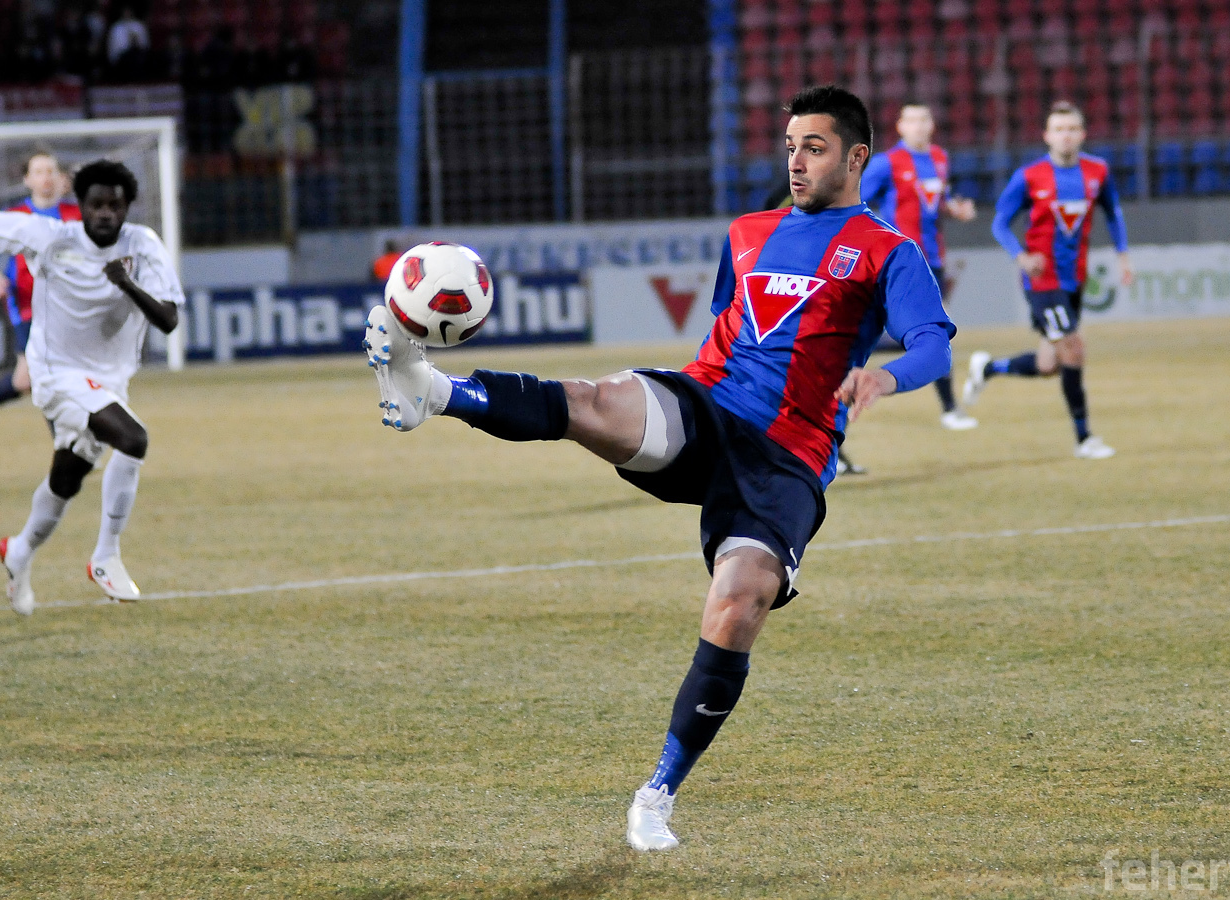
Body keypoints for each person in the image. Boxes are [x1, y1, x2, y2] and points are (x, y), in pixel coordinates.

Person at [363, 85, 952, 851]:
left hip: (788, 455)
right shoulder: (747, 233)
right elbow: (729, 329)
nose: (797, 162)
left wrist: (886, 376)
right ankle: (436, 392)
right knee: (595, 400)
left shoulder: (887, 250)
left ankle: (656, 795)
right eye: (790, 147)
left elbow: (933, 345)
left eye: (814, 148)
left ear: (856, 156)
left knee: (739, 603)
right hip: (705, 406)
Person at [0, 161, 182, 615]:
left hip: (109, 381)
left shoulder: (143, 245)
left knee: (67, 478)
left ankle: (19, 551)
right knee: (133, 439)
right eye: (96, 204)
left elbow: (168, 319)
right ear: (81, 206)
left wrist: (127, 284)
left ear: (127, 207)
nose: (106, 213)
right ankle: (106, 556)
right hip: (54, 373)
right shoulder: (51, 236)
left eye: (115, 205)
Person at [961, 101, 1133, 459]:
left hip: (1074, 279)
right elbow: (999, 223)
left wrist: (1123, 256)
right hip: (1042, 281)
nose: (1065, 136)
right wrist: (1021, 257)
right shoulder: (1030, 176)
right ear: (1047, 136)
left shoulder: (1097, 171)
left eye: (1071, 129)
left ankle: (987, 368)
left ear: (1082, 134)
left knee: (1048, 364)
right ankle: (1085, 439)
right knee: (1074, 349)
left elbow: (1113, 212)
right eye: (1058, 129)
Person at [861, 101, 980, 432]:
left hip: (934, 258)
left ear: (932, 125)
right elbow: (855, 201)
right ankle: (950, 408)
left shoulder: (939, 158)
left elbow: (937, 201)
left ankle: (947, 407)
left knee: (929, 331)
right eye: (911, 120)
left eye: (924, 119)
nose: (918, 125)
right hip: (902, 262)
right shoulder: (887, 163)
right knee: (933, 331)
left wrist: (954, 209)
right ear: (900, 127)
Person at [0, 151, 81, 448]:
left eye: (51, 170)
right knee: (36, 377)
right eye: (39, 171)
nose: (46, 177)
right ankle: (68, 445)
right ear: (27, 180)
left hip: (66, 307)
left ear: (61, 178)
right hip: (26, 305)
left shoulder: (76, 215)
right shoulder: (15, 216)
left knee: (30, 379)